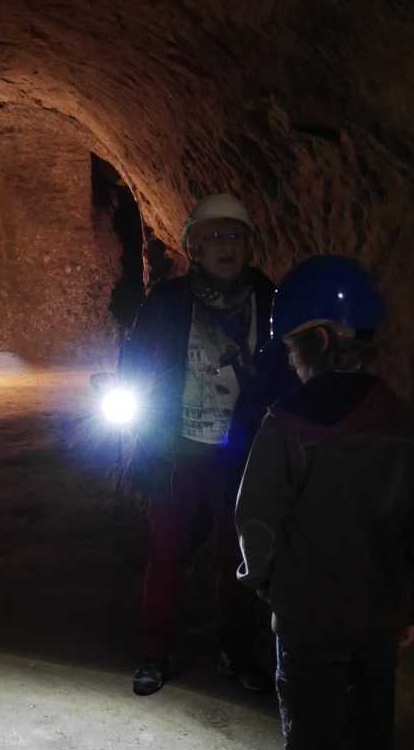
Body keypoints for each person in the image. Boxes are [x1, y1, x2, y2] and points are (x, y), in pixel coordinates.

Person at [234, 255, 414, 750]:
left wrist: (268, 586)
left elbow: (256, 518)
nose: (287, 360)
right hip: (380, 616)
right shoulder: (401, 418)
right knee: (370, 737)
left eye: (290, 345)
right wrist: (409, 604)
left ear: (313, 340)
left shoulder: (289, 422)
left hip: (312, 618)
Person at [119, 194, 290, 697]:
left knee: (235, 558)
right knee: (167, 550)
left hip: (242, 451)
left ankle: (236, 653)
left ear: (250, 246)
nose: (226, 246)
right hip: (178, 446)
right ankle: (156, 651)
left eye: (235, 236)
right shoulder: (169, 301)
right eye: (214, 236)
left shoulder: (269, 298)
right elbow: (138, 356)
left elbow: (285, 367)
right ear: (193, 245)